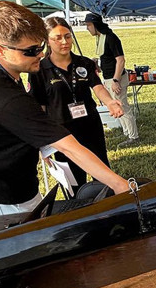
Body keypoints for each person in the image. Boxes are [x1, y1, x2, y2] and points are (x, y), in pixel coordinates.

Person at [0, 1, 129, 217]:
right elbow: (68, 147)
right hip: (2, 189)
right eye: (30, 50)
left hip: (3, 174)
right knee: (24, 241)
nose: (40, 54)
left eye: (40, 46)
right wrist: (120, 185)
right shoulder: (8, 101)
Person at [28, 17, 124, 193]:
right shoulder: (39, 70)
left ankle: (107, 208)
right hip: (62, 133)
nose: (64, 42)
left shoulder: (84, 63)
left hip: (90, 126)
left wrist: (110, 102)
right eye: (57, 38)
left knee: (102, 172)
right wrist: (43, 143)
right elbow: (39, 107)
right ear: (47, 40)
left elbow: (98, 87)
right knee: (74, 182)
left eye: (67, 36)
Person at [83, 12, 139, 147]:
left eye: (88, 25)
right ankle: (127, 132)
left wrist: (115, 80)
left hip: (116, 79)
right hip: (108, 77)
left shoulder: (111, 38)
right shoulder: (101, 38)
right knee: (118, 106)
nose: (87, 28)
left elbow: (120, 60)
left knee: (123, 107)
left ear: (95, 25)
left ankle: (134, 136)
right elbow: (108, 60)